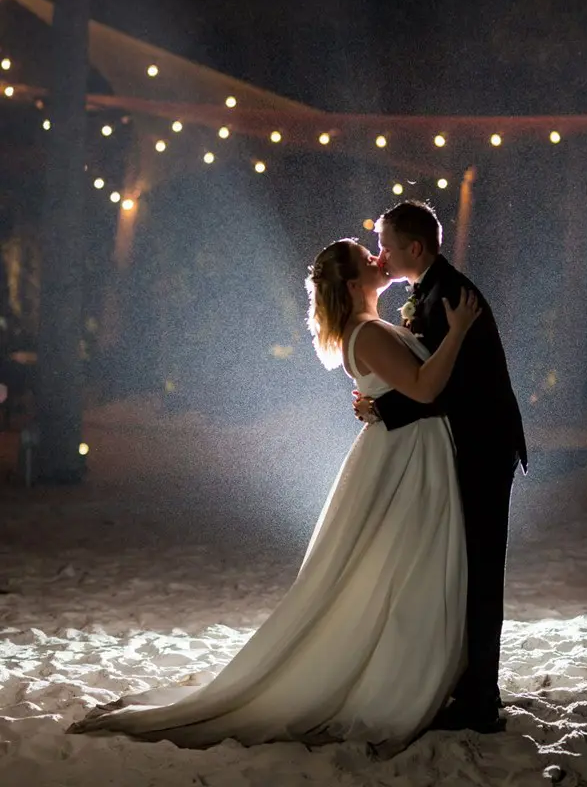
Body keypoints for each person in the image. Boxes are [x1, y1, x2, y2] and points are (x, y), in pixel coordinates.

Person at [68, 238, 480, 757]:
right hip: (406, 456)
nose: (379, 260)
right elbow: (422, 389)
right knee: (400, 565)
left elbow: (402, 389)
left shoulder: (367, 329)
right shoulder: (368, 332)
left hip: (405, 449)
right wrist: (459, 332)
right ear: (354, 285)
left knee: (395, 565)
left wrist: (379, 400)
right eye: (367, 258)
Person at [354, 200, 528, 734]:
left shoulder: (448, 294)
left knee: (479, 571)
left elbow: (441, 385)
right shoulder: (430, 290)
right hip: (471, 442)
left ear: (415, 247)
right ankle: (468, 683)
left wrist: (381, 408)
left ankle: (480, 700)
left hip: (483, 447)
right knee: (465, 566)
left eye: (386, 243)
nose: (381, 254)